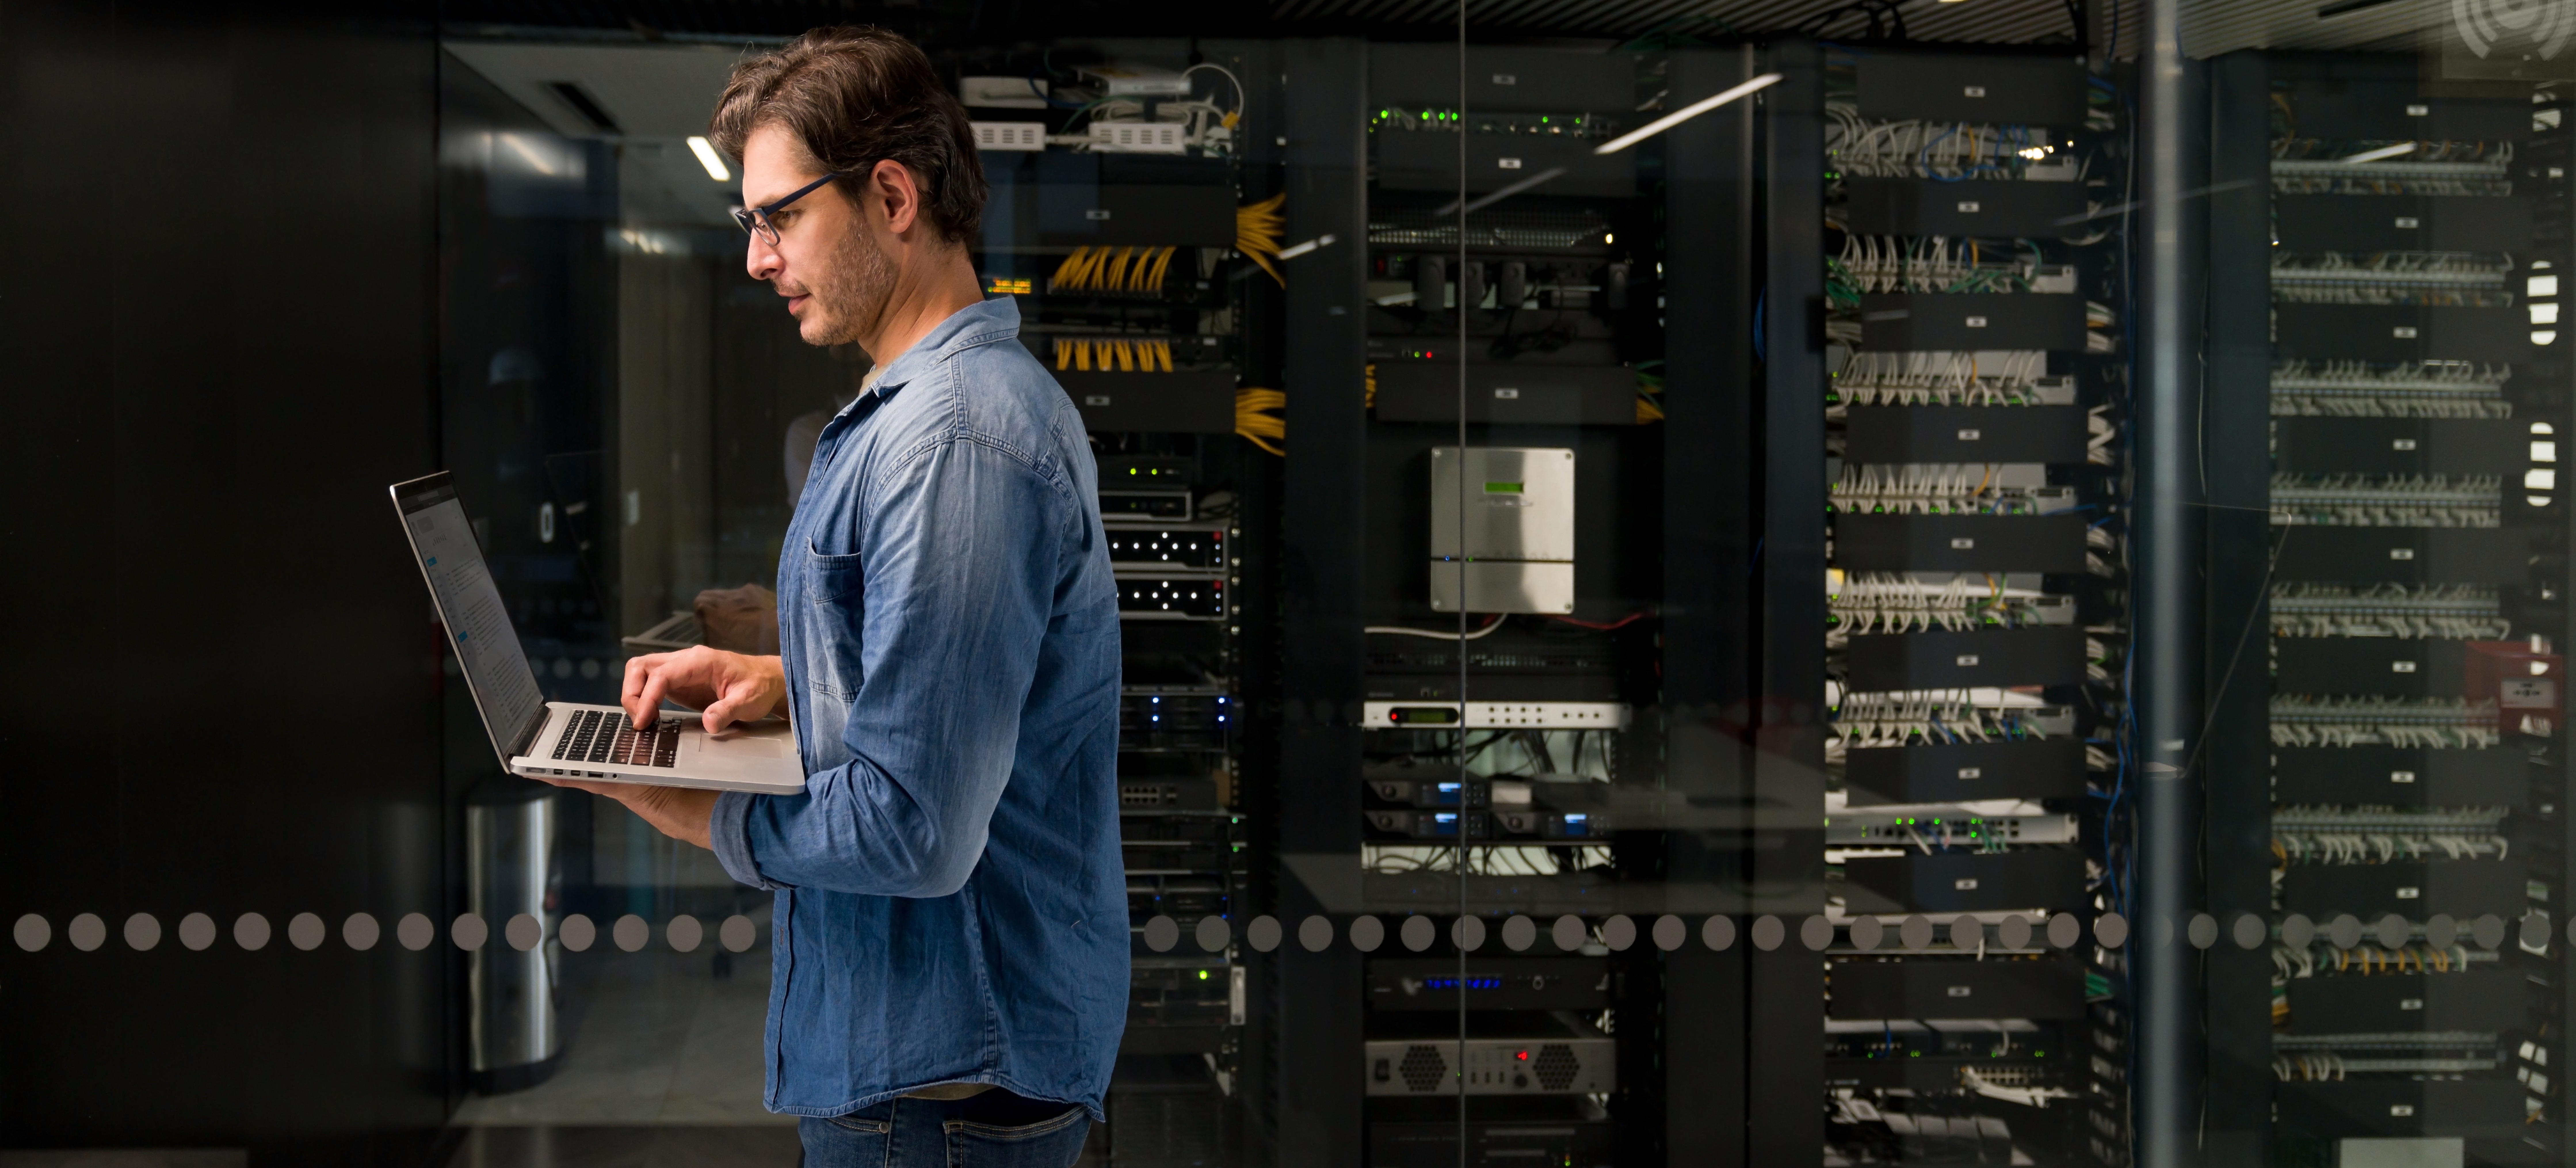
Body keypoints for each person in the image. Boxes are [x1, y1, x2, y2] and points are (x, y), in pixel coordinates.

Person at [533, 26, 1125, 1167]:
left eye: (779, 215)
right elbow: (947, 703)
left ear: (891, 195)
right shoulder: (916, 411)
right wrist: (779, 682)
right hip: (926, 1065)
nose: (758, 256)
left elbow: (915, 826)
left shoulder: (955, 441)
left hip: (945, 1085)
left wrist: (700, 813)